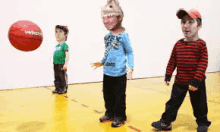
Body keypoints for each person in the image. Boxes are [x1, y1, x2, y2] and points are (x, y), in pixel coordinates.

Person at [151, 9, 211, 132]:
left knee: (199, 105)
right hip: (180, 82)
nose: (186, 25)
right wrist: (168, 74)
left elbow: (202, 64)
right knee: (172, 104)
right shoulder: (178, 44)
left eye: (190, 22)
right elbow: (173, 60)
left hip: (196, 83)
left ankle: (203, 123)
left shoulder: (201, 45)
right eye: (183, 22)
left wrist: (196, 81)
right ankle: (166, 122)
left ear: (199, 26)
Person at [91, 0, 134, 127]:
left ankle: (120, 116)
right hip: (107, 71)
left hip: (119, 73)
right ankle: (109, 113)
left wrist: (130, 67)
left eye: (109, 16)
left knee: (119, 96)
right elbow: (107, 52)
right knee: (107, 94)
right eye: (104, 17)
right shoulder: (107, 37)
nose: (106, 21)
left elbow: (130, 52)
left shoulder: (123, 36)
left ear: (119, 17)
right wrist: (102, 62)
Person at [52, 25, 69, 94]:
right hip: (55, 64)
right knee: (56, 76)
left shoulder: (65, 45)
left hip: (61, 64)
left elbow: (67, 55)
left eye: (60, 32)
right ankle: (57, 88)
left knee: (62, 77)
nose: (57, 34)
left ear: (65, 35)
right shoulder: (57, 46)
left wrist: (65, 64)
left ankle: (63, 88)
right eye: (56, 32)